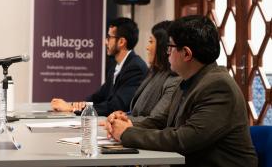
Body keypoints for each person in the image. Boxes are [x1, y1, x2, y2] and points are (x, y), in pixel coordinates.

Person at [105, 15, 257, 167]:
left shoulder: (218, 87)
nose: (167, 53)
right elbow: (160, 121)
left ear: (186, 53)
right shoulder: (189, 80)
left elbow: (183, 140)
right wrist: (126, 123)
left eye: (169, 47)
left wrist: (126, 133)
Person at [51, 17, 148, 116]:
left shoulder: (135, 68)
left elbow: (116, 106)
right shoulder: (117, 65)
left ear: (121, 42)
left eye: (109, 37)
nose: (106, 42)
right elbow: (98, 96)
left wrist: (73, 108)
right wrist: (74, 105)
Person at [105, 21, 181, 124]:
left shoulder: (174, 80)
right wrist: (121, 116)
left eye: (151, 41)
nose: (147, 47)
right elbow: (137, 111)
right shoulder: (154, 73)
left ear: (161, 46)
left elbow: (156, 119)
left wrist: (122, 120)